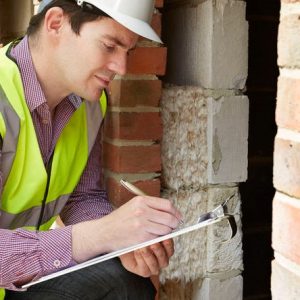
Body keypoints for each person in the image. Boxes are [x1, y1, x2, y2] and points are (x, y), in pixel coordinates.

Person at [0, 0, 182, 299]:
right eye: (110, 46)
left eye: (128, 52)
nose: (121, 68)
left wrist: (121, 241)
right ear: (56, 23)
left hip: (16, 279)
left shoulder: (88, 105)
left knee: (126, 283)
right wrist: (100, 235)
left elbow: (83, 197)